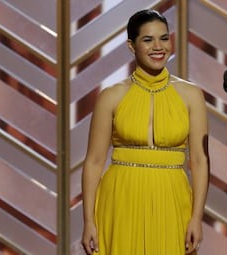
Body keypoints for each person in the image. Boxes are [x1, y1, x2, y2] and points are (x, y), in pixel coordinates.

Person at [81, 9, 209, 255]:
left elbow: (200, 161)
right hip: (121, 198)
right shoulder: (112, 95)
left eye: (163, 38)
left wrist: (196, 217)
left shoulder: (191, 95)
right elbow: (94, 162)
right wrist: (89, 221)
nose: (158, 46)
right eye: (148, 40)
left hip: (171, 198)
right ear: (132, 46)